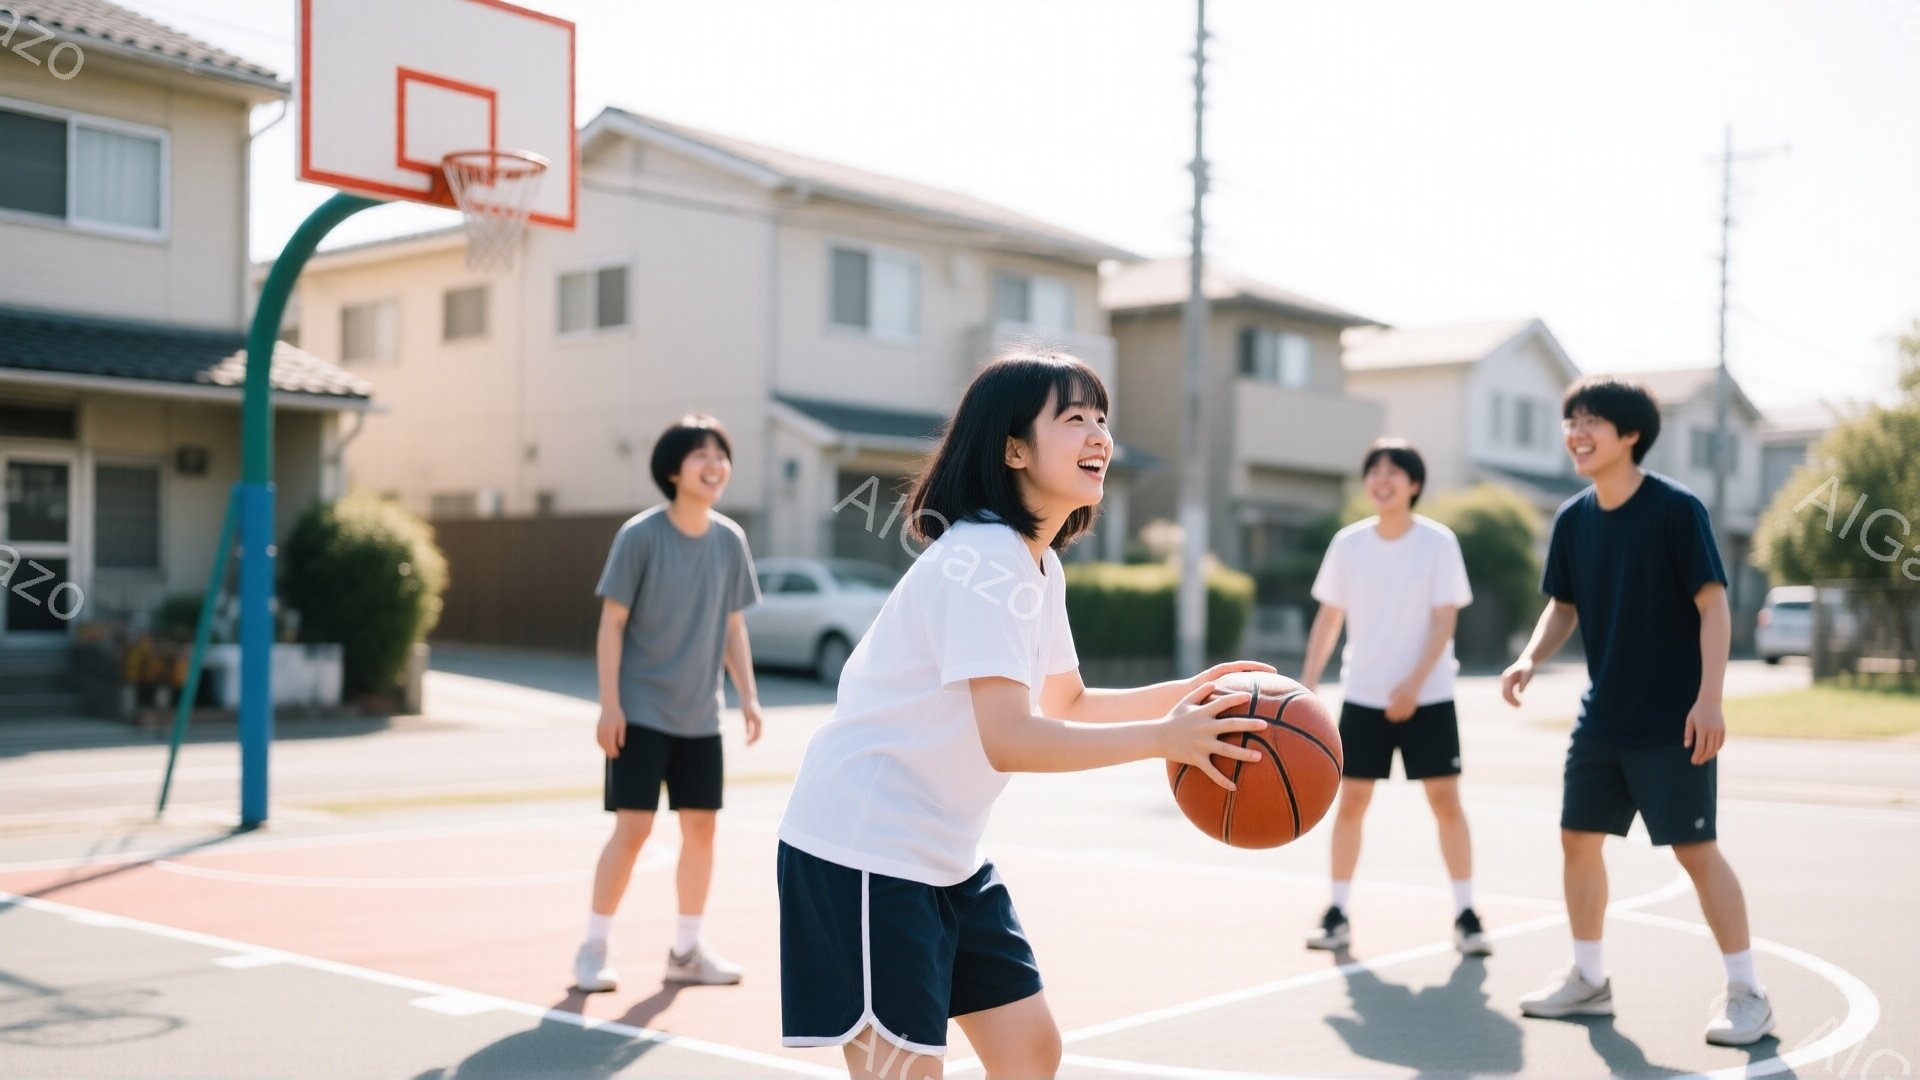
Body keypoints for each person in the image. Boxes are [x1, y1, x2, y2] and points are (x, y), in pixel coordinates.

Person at [775, 352, 1274, 1080]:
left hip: (945, 856)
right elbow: (1010, 738)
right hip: (866, 849)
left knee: (1030, 1051)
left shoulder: (1037, 563)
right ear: (1013, 448)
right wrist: (1165, 740)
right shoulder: (982, 557)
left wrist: (1193, 690)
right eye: (1073, 419)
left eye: (1102, 418)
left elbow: (1067, 702)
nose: (1098, 435)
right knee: (906, 1074)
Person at [1502, 375, 1775, 1045]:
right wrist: (1531, 657)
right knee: (1577, 840)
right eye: (1571, 420)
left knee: (1695, 850)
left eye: (1591, 420)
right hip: (1603, 716)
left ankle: (1749, 993)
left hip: (1674, 717)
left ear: (1631, 436)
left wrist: (1710, 698)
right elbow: (1562, 605)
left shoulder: (1677, 511)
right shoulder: (1572, 519)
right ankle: (1589, 980)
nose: (1576, 432)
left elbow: (1712, 604)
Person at [572, 414, 764, 993]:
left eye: (722, 455)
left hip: (700, 716)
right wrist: (609, 705)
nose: (715, 466)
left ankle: (685, 950)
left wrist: (749, 696)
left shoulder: (730, 539)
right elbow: (612, 625)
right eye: (702, 455)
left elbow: (733, 625)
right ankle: (594, 946)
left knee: (702, 831)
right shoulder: (640, 535)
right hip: (640, 710)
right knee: (632, 829)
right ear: (673, 470)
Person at [1300, 438, 1488, 957]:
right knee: (1352, 802)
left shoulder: (1437, 543)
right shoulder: (1348, 544)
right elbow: (1329, 617)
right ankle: (1336, 912)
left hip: (1428, 696)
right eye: (1374, 471)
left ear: (1414, 484)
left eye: (1394, 471)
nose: (1382, 479)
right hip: (1363, 696)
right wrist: (1308, 684)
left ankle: (1467, 914)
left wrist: (1412, 685)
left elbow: (1445, 619)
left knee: (1445, 801)